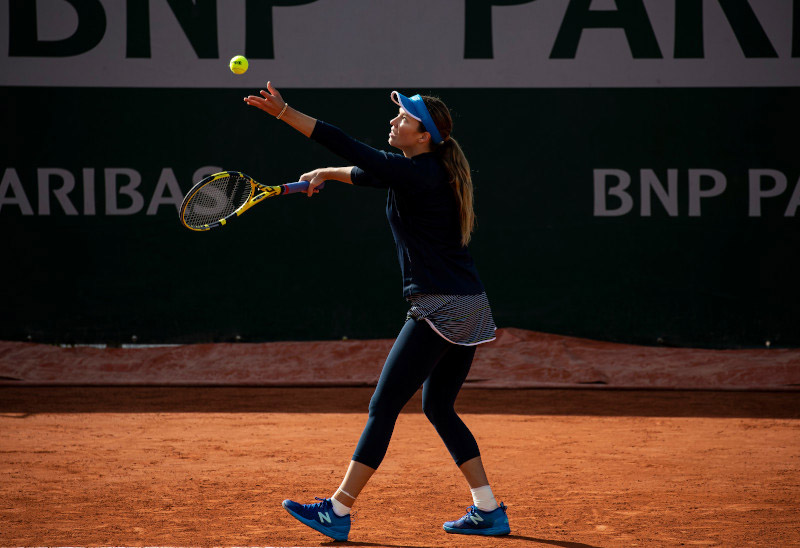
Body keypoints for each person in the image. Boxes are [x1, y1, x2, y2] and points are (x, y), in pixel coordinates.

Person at [244, 83, 510, 541]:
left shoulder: (418, 173)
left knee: (383, 405)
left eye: (403, 118)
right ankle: (488, 509)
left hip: (438, 307)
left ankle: (338, 510)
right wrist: (325, 173)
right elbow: (360, 171)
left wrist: (284, 112)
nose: (393, 121)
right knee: (439, 407)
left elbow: (348, 146)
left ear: (424, 135)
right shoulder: (423, 170)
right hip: (470, 306)